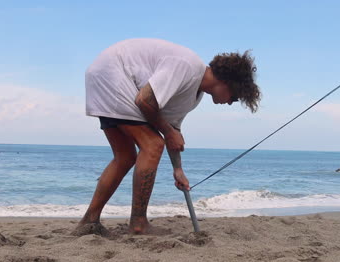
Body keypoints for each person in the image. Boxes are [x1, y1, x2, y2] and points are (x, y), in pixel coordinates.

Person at [73, 38, 261, 236]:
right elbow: (145, 100)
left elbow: (172, 130)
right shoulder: (187, 66)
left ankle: (89, 221)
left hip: (107, 76)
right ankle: (138, 224)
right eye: (235, 97)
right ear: (228, 82)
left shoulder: (194, 95)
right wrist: (169, 133)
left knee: (125, 157)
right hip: (112, 72)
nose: (232, 103)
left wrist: (178, 169)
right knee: (153, 144)